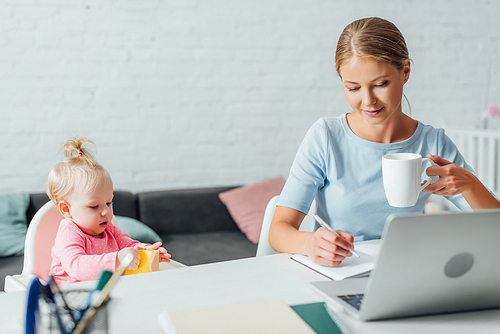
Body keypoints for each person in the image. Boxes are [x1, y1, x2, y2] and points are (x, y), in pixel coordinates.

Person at [268, 17, 500, 267]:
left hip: (405, 271)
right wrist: (310, 243)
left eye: (380, 84)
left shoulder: (433, 143)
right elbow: (279, 231)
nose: (368, 101)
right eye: (353, 88)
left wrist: (471, 185)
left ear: (406, 71)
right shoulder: (325, 137)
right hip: (340, 272)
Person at [48, 137, 171, 284]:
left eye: (108, 203)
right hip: (69, 295)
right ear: (67, 209)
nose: (106, 211)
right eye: (94, 206)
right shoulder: (69, 231)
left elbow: (128, 245)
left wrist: (147, 251)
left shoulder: (109, 229)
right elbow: (76, 266)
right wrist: (117, 260)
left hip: (103, 290)